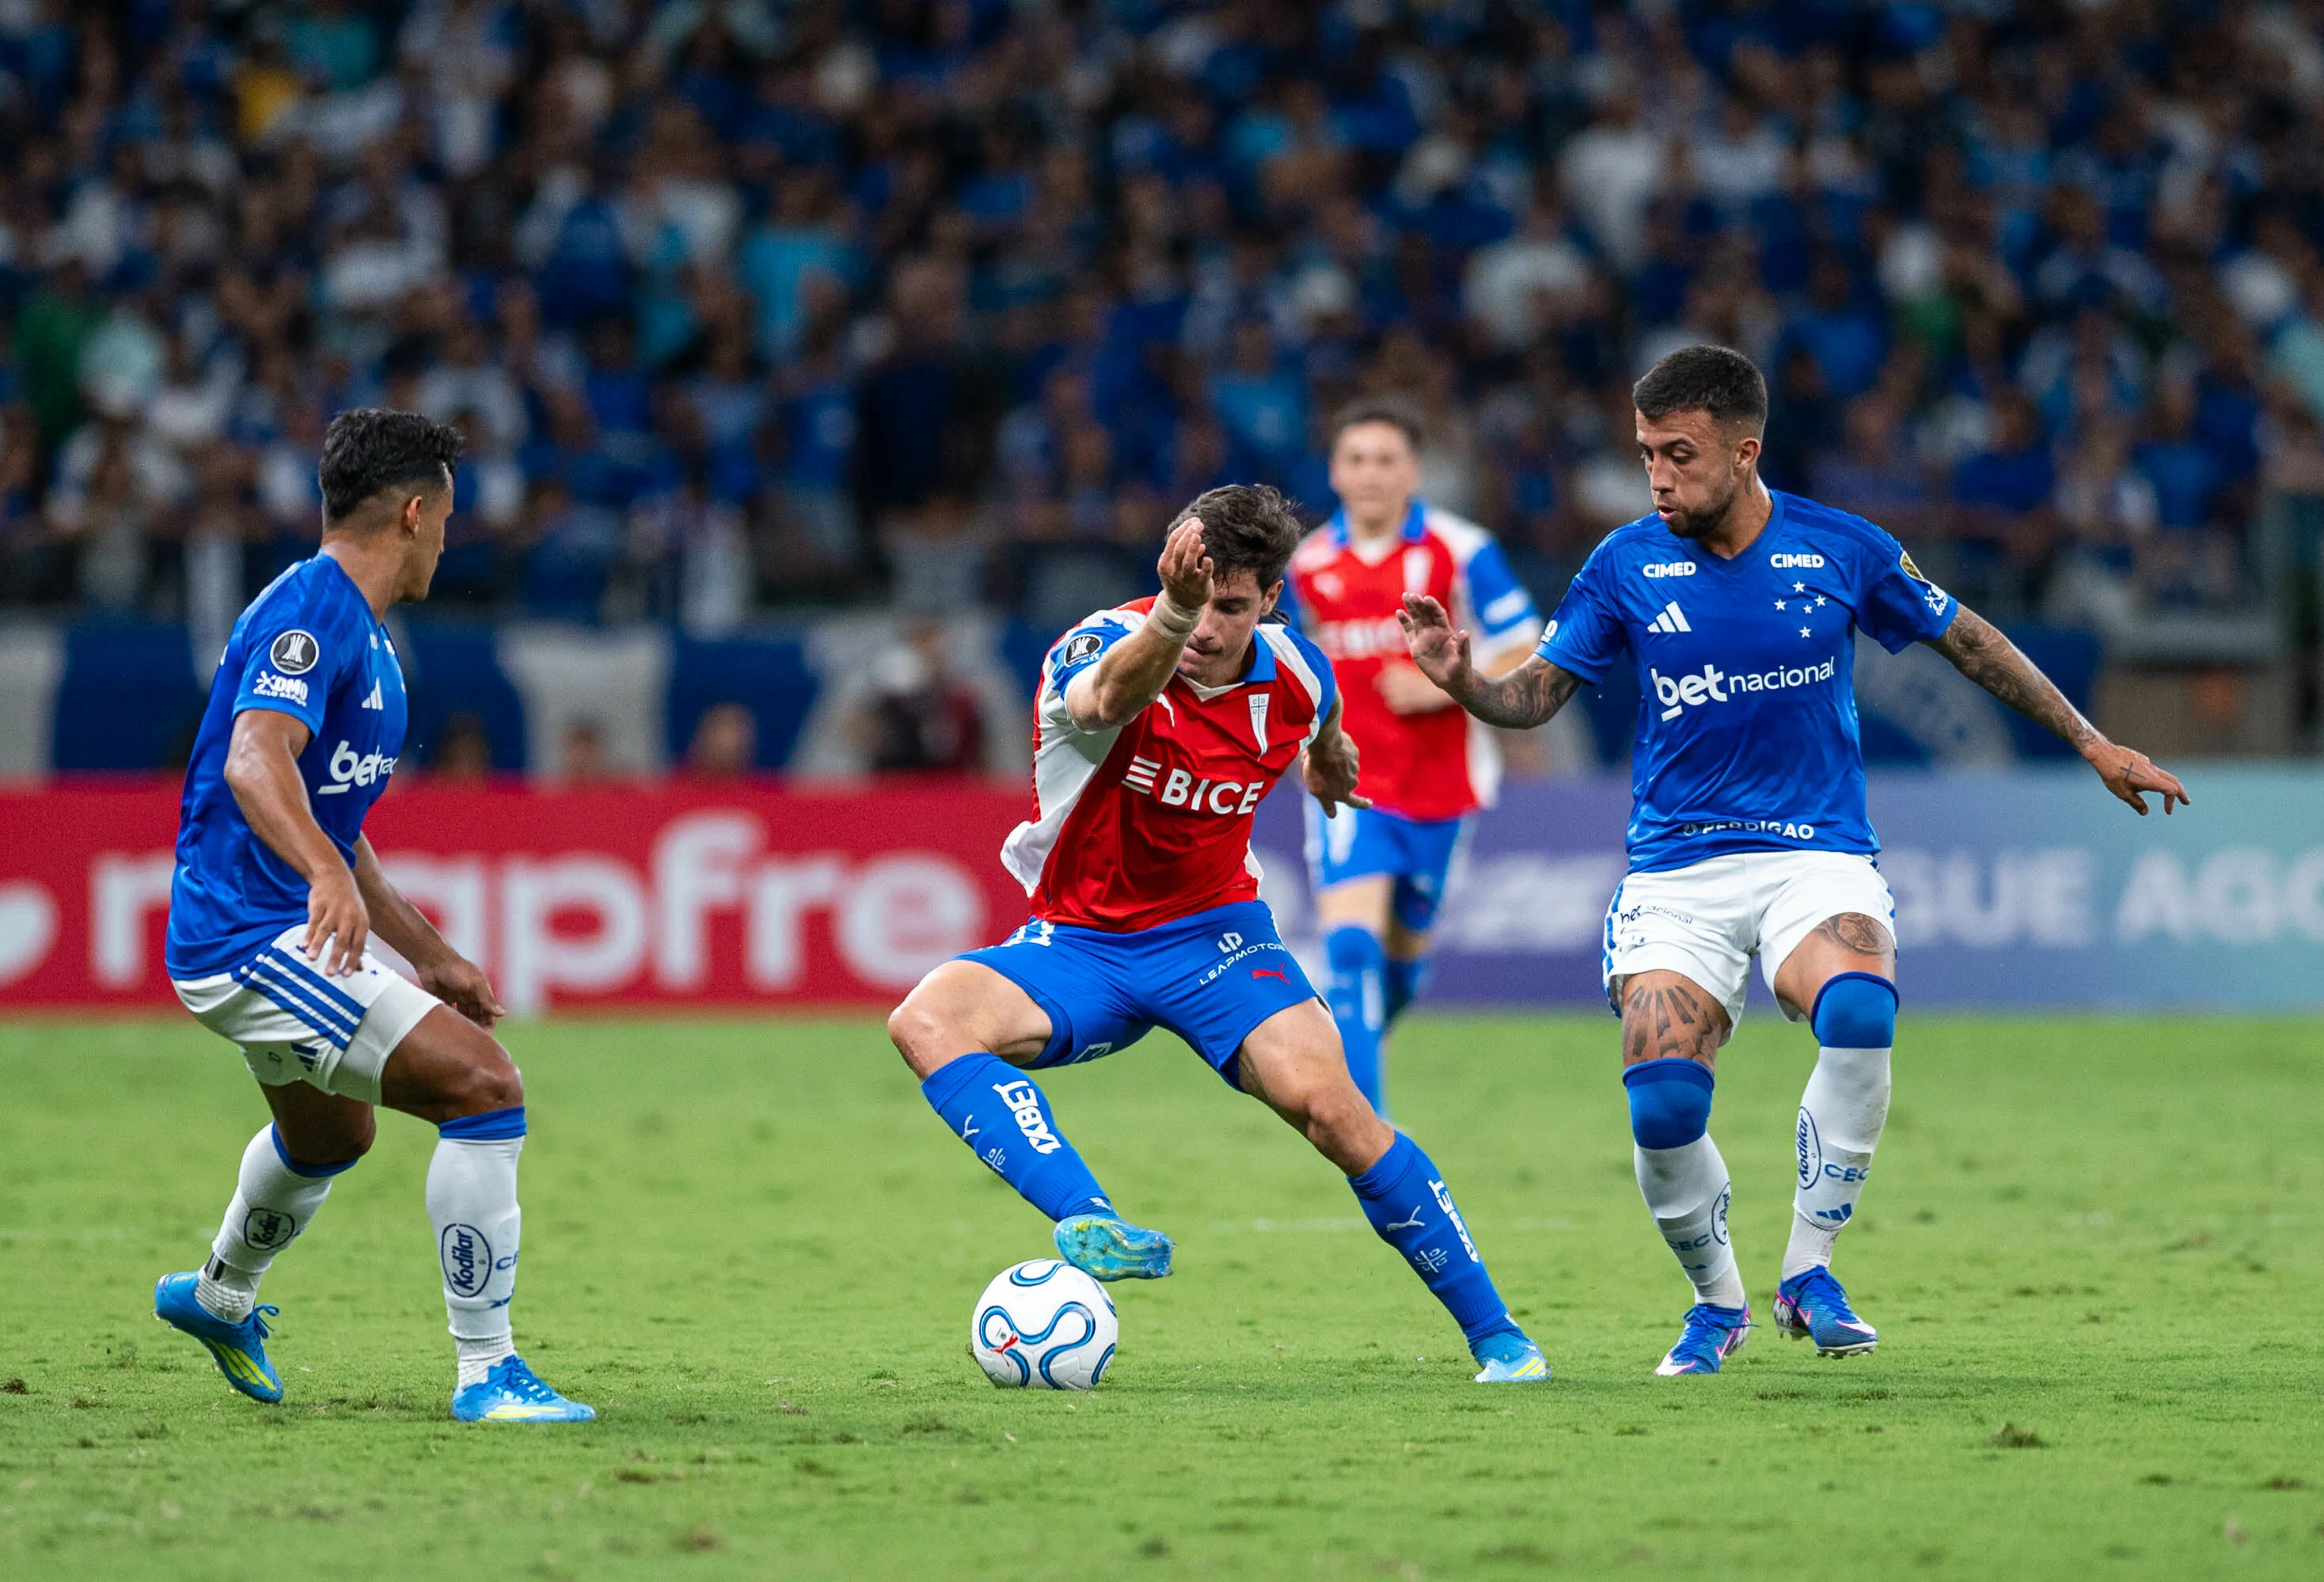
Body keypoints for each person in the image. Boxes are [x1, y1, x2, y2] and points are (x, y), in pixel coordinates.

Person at [1399, 347, 2186, 1376]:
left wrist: (2090, 741)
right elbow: (1536, 695)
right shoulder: (1625, 563)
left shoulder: (1843, 548)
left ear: (1744, 451)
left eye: (1679, 455)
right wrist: (1465, 683)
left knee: (1860, 1009)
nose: (1657, 477)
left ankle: (1809, 1271)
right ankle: (1717, 1301)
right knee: (1664, 1104)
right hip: (1675, 870)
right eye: (1646, 454)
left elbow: (1970, 641)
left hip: (1814, 853)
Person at [887, 485, 1553, 1383]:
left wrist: (1329, 761)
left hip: (1216, 940)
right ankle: (1089, 1217)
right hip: (1080, 942)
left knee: (1338, 1113)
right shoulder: (1099, 644)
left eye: (1230, 606)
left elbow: (1324, 715)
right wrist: (1172, 611)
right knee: (926, 1020)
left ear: (1271, 600)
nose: (1205, 627)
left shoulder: (1297, 673)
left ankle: (1501, 1338)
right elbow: (1104, 701)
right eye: (1191, 599)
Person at [154, 409, 592, 1423]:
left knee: (329, 1136)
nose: (447, 538)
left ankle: (218, 1296)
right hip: (249, 935)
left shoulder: (363, 631)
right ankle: (489, 1372)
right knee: (485, 1088)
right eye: (446, 517)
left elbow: (335, 822)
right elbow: (255, 758)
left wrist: (428, 953)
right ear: (412, 513)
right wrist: (322, 875)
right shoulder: (311, 614)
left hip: (270, 926)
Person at [1286, 399, 1542, 1115]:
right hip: (1349, 786)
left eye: (1385, 460)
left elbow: (1526, 646)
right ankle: (1366, 1137)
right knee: (1351, 950)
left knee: (1400, 967)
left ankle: (1370, 1037)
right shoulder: (1307, 564)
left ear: (1413, 471)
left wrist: (1447, 685)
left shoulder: (1462, 550)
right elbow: (1290, 665)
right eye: (1356, 460)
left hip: (1441, 787)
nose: (1370, 474)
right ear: (1335, 472)